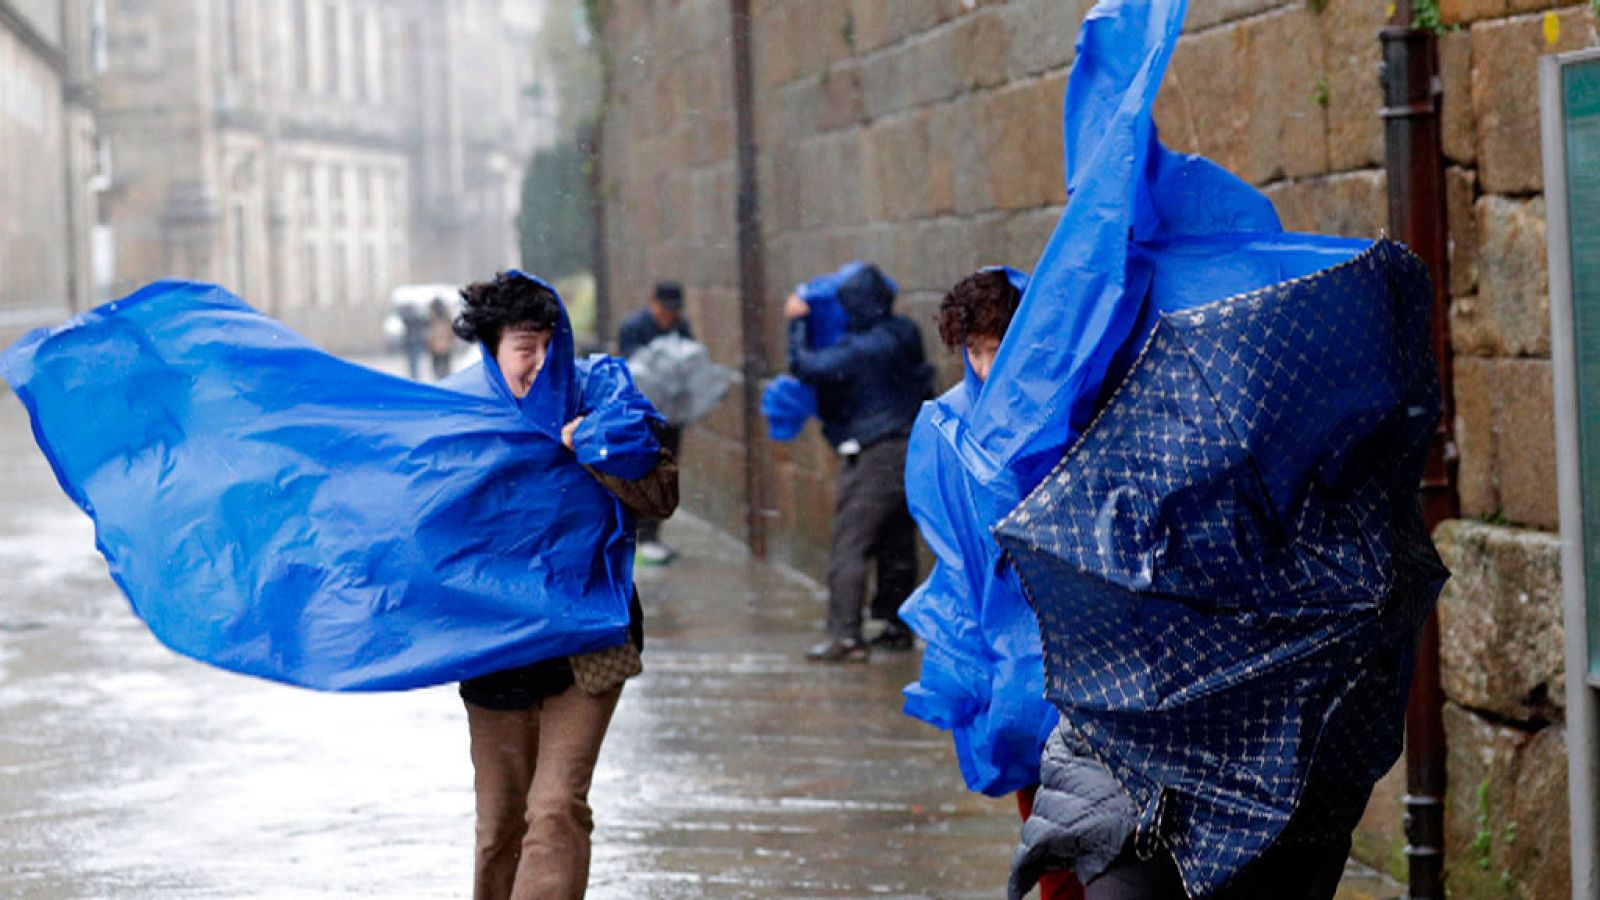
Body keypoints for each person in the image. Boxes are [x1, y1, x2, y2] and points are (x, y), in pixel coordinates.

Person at [450, 272, 678, 900]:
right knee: (500, 827)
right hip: (497, 651)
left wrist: (602, 453)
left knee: (554, 808)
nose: (540, 362)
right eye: (525, 348)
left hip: (588, 648)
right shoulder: (460, 421)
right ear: (493, 350)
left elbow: (662, 496)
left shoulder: (601, 399)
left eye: (552, 344)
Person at [934, 268, 1085, 900]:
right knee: (1044, 807)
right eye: (975, 350)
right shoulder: (956, 424)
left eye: (998, 346)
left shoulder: (1070, 400)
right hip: (1015, 641)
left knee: (1084, 811)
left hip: (1075, 634)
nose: (987, 364)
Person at [785, 263, 932, 662]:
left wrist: (797, 323)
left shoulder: (862, 348)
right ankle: (896, 624)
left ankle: (846, 635)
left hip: (875, 451)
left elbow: (808, 366)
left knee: (851, 543)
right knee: (897, 540)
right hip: (912, 446)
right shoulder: (905, 333)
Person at [618, 281, 693, 564]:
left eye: (674, 311)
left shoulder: (681, 327)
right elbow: (632, 367)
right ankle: (636, 537)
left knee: (664, 475)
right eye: (665, 310)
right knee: (640, 474)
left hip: (670, 418)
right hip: (641, 418)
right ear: (653, 303)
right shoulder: (633, 327)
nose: (669, 317)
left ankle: (652, 537)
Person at [427, 296, 455, 380]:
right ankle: (445, 380)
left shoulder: (432, 318)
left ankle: (441, 380)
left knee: (438, 368)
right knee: (445, 367)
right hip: (445, 346)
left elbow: (430, 334)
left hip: (437, 347)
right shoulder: (447, 317)